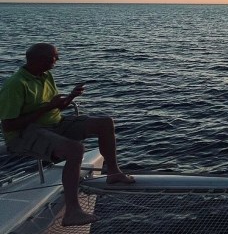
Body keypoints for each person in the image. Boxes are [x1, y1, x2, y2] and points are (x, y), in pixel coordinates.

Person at [0, 43, 135, 226]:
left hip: (54, 123)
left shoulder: (45, 75)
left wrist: (71, 97)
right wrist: (48, 107)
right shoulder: (16, 84)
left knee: (105, 123)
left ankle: (113, 172)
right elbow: (9, 126)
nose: (58, 59)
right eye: (55, 56)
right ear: (40, 60)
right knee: (75, 150)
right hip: (24, 134)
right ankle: (72, 211)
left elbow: (56, 106)